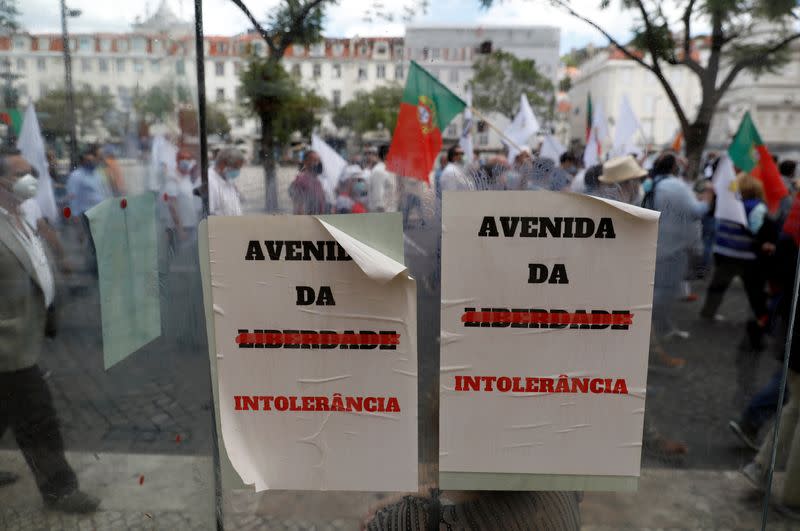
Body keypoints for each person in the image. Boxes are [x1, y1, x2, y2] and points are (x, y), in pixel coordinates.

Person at [0, 149, 99, 513]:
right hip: (8, 344)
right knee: (37, 417)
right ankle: (60, 489)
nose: (32, 180)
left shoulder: (21, 214)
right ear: (2, 181)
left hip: (31, 329)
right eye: (23, 174)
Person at [644, 152, 712, 368]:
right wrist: (708, 198)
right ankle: (653, 332)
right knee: (664, 292)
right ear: (674, 167)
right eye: (679, 162)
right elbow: (695, 211)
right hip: (672, 248)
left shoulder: (654, 183)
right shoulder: (674, 186)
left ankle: (661, 328)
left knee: (662, 290)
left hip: (658, 244)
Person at [700, 174, 772, 337]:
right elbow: (756, 229)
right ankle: (763, 318)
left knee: (718, 285)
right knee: (754, 289)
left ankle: (708, 312)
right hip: (745, 255)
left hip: (723, 250)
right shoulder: (757, 207)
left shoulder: (731, 204)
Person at [163, 149, 200, 252]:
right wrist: (180, 229)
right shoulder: (172, 179)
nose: (185, 161)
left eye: (188, 159)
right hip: (180, 228)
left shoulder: (187, 177)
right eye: (182, 158)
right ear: (177, 160)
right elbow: (172, 206)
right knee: (181, 259)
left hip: (190, 225)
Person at [289, 150, 327, 215]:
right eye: (314, 160)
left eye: (318, 160)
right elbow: (299, 207)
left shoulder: (317, 181)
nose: (318, 163)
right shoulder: (301, 181)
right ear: (306, 162)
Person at [208, 147, 244, 216]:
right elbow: (210, 213)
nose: (238, 171)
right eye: (236, 167)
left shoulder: (227, 178)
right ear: (223, 164)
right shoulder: (210, 182)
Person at [367, 144, 398, 212]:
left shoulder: (389, 171)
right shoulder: (379, 171)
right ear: (386, 155)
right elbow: (378, 200)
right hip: (382, 217)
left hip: (391, 215)